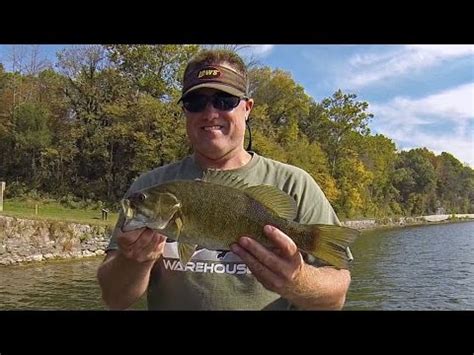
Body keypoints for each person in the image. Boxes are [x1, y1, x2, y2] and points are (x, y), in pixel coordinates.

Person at [97, 49, 352, 310]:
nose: (209, 113)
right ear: (185, 110)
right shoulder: (148, 186)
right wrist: (134, 260)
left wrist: (297, 280)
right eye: (195, 102)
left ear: (247, 108)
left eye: (224, 100)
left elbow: (336, 297)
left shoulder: (294, 184)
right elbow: (113, 299)